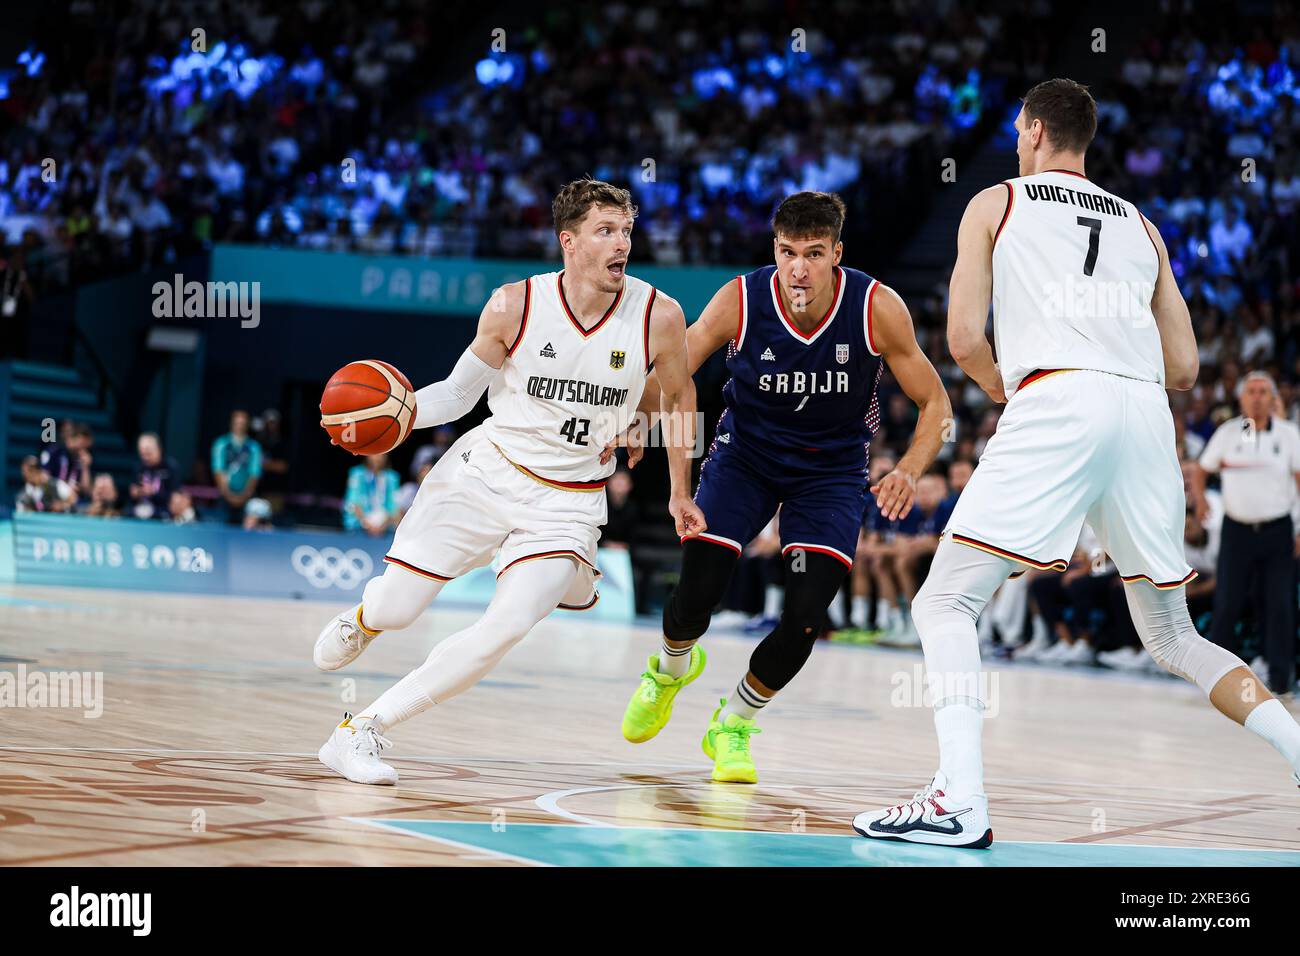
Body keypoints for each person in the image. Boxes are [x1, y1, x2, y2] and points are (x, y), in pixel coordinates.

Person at [854, 78, 1300, 849]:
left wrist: (1018, 396)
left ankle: (959, 800)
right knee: (1172, 637)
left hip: (1057, 400)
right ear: (1086, 140)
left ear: (1030, 130)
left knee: (945, 603)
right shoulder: (1142, 224)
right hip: (1142, 412)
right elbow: (1187, 367)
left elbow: (962, 339)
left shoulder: (995, 202)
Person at [312, 178, 703, 785]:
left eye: (627, 230)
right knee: (397, 606)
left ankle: (362, 730)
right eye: (606, 230)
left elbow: (680, 398)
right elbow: (461, 394)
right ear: (568, 242)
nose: (621, 242)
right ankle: (365, 617)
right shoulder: (514, 305)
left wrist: (679, 486)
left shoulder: (660, 315)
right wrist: (398, 412)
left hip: (567, 504)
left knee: (506, 627)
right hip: (486, 473)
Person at [611, 191, 951, 783]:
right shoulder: (741, 299)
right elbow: (674, 369)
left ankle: (734, 723)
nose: (799, 268)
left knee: (803, 616)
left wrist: (909, 469)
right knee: (698, 587)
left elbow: (936, 403)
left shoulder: (876, 307)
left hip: (832, 472)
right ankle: (669, 670)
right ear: (775, 249)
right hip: (746, 458)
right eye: (789, 252)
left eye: (814, 254)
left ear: (836, 255)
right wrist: (635, 422)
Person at [1190, 371, 1300, 694]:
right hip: (1237, 531)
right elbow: (1201, 469)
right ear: (1241, 398)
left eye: (1263, 391)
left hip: (1277, 531)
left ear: (1273, 398)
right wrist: (1199, 502)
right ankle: (1219, 679)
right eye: (1250, 391)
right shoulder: (1227, 433)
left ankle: (1281, 680)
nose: (1256, 396)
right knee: (1227, 603)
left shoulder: (1289, 434)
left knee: (1279, 604)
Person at [211, 410, 263, 523]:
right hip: (225, 498)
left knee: (248, 536)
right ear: (231, 424)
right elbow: (218, 470)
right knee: (220, 533)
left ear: (247, 425)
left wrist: (244, 496)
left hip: (247, 498)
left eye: (242, 423)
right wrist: (229, 495)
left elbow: (254, 473)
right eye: (237, 423)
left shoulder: (254, 447)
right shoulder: (221, 443)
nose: (239, 426)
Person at [342, 453, 401, 535]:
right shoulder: (357, 474)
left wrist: (383, 526)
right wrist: (367, 524)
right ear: (367, 454)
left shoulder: (392, 477)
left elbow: (393, 506)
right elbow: (353, 502)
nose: (378, 457)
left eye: (382, 454)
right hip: (359, 527)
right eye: (375, 453)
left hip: (385, 529)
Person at [130, 433, 181, 519]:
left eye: (148, 454)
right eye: (142, 454)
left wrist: (154, 493)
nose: (145, 458)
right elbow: (133, 494)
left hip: (163, 509)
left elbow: (175, 497)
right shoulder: (138, 467)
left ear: (159, 449)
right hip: (141, 509)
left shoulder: (171, 467)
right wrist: (136, 493)